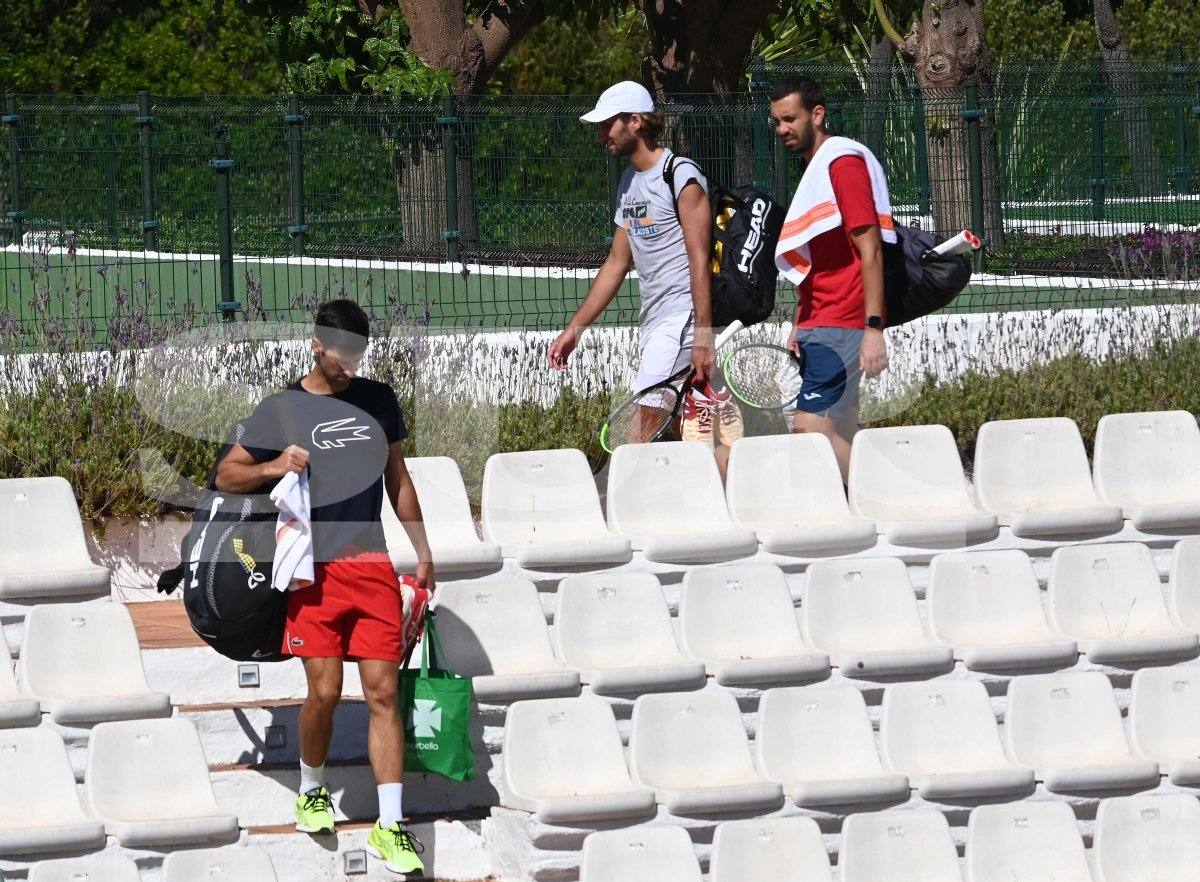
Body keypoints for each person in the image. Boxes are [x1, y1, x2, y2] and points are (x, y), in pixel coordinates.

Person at [214, 298, 435, 876]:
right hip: (312, 571)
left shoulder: (378, 400)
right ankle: (311, 788)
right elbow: (227, 473)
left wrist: (424, 551)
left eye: (360, 352)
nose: (352, 364)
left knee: (384, 693)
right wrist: (275, 466)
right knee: (326, 691)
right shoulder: (284, 407)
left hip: (372, 567)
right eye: (342, 352)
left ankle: (392, 826)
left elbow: (398, 478)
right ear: (316, 344)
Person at [548, 80, 740, 457]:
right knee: (702, 430)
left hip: (681, 321)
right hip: (654, 322)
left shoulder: (681, 175)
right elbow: (617, 262)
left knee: (639, 433)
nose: (601, 134)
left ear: (635, 122)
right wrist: (575, 329)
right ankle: (724, 503)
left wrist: (703, 335)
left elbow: (699, 259)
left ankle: (628, 508)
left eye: (607, 124)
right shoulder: (628, 183)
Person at [771, 76, 895, 481]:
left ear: (817, 115)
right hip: (821, 321)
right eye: (777, 121)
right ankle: (864, 514)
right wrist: (801, 319)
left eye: (790, 118)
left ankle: (880, 495)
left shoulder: (841, 163)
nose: (781, 129)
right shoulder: (819, 168)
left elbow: (870, 248)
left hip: (842, 323)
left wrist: (873, 328)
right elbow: (820, 257)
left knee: (810, 429)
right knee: (841, 427)